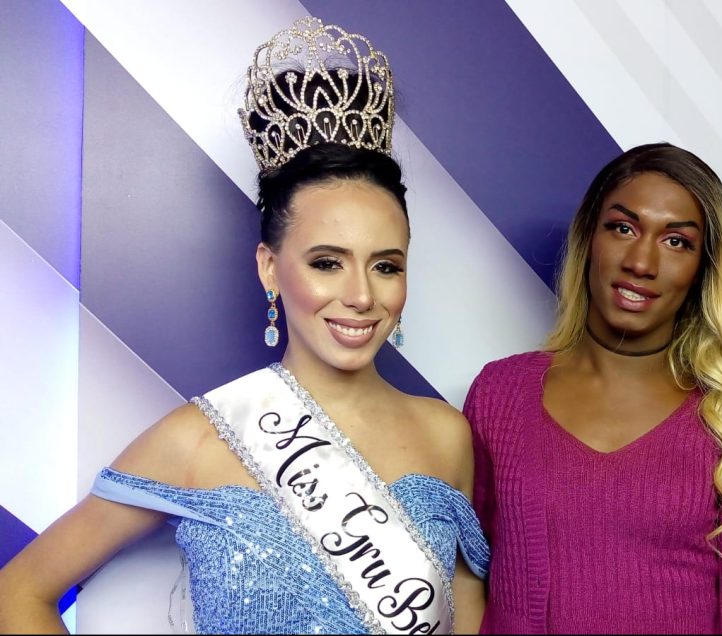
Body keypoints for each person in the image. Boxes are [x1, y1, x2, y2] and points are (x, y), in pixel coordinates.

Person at [0, 17, 488, 635]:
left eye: (385, 266)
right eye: (327, 262)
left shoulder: (446, 436)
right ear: (270, 267)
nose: (362, 295)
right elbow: (20, 592)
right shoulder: (198, 438)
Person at [464, 143, 722, 634]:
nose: (642, 262)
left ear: (702, 270)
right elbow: (465, 571)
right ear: (589, 238)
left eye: (677, 242)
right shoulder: (501, 395)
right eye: (623, 228)